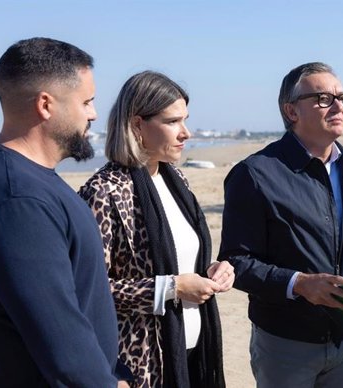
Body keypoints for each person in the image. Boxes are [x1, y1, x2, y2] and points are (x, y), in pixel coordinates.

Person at [218, 62, 343, 388]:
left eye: (342, 97)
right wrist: (298, 283)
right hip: (286, 344)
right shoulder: (254, 175)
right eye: (323, 98)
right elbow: (236, 262)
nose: (338, 106)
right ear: (291, 111)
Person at [0, 37, 128, 386]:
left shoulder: (28, 179)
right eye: (87, 102)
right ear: (46, 104)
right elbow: (59, 340)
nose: (92, 113)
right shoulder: (18, 201)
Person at [78, 71, 232, 388]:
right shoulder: (104, 192)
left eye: (185, 120)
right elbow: (89, 291)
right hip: (143, 364)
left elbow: (184, 263)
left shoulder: (177, 181)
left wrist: (215, 269)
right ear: (137, 125)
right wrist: (170, 288)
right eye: (173, 121)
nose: (185, 133)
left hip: (194, 353)